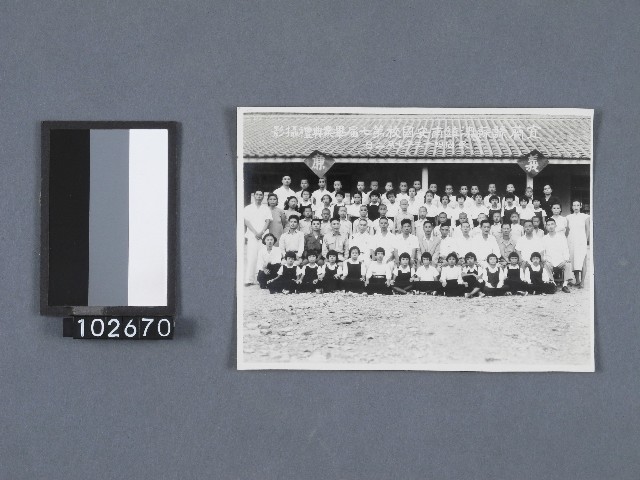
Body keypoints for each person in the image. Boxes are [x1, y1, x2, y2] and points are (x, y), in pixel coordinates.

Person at [243, 190, 271, 285]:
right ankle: (249, 279)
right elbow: (246, 221)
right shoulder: (248, 208)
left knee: (263, 256)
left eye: (261, 195)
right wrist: (255, 233)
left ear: (263, 197)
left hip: (263, 236)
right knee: (251, 257)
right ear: (254, 196)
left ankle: (262, 279)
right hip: (252, 235)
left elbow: (268, 221)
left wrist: (262, 232)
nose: (259, 196)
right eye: (257, 194)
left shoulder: (266, 208)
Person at [566, 200, 590, 288]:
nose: (576, 207)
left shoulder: (585, 216)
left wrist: (585, 240)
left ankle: (582, 282)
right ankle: (577, 280)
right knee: (574, 260)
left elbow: (588, 229)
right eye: (574, 205)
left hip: (581, 241)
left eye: (577, 205)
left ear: (580, 206)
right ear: (572, 207)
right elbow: (567, 230)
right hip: (571, 241)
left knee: (582, 260)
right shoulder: (568, 217)